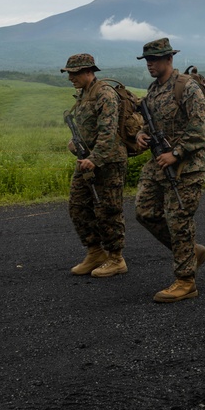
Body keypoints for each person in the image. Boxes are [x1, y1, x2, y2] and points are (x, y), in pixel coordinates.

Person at [133, 38, 205, 303]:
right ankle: (192, 252)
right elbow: (151, 124)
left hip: (187, 167)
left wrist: (177, 153)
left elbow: (201, 128)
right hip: (158, 163)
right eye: (147, 60)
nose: (150, 65)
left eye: (154, 60)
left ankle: (185, 281)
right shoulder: (154, 90)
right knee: (144, 211)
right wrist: (141, 135)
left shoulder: (187, 87)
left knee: (178, 221)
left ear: (169, 59)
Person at [62, 53, 129, 278]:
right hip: (86, 160)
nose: (71, 77)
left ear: (88, 71)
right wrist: (76, 143)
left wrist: (95, 158)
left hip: (108, 161)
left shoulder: (104, 93)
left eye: (74, 73)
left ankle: (116, 258)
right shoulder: (84, 94)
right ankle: (95, 252)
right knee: (77, 206)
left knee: (108, 210)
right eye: (70, 73)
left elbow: (108, 132)